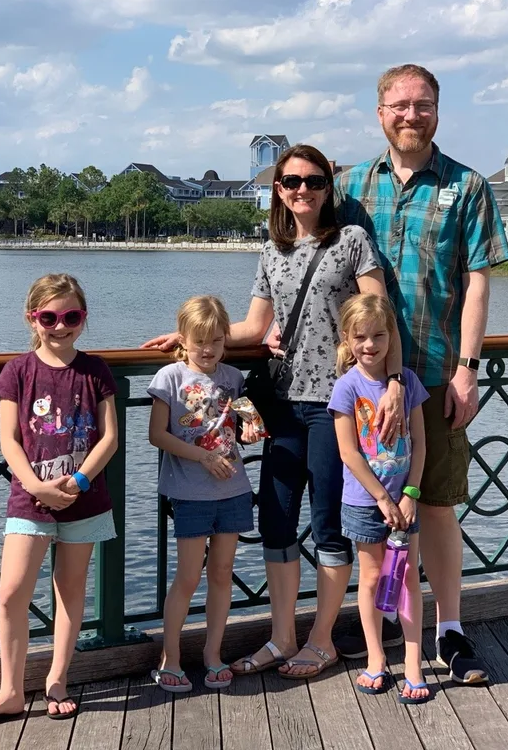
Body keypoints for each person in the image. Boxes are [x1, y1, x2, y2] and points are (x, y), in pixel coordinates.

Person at [143, 144, 405, 680]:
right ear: (279, 191)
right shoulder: (271, 251)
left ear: (328, 187)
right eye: (291, 182)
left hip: (337, 405)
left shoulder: (352, 241)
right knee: (277, 522)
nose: (302, 190)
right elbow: (254, 327)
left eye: (313, 181)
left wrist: (395, 382)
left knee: (328, 525)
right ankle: (283, 637)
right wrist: (191, 337)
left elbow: (382, 319)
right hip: (283, 403)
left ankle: (321, 640)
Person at [334, 64, 508, 684]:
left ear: (437, 110)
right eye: (400, 105)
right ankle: (382, 621)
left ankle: (450, 629)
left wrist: (468, 370)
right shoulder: (348, 186)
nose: (412, 115)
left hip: (434, 374)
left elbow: (477, 283)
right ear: (380, 112)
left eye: (424, 105)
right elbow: (310, 259)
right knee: (368, 504)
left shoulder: (468, 186)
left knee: (434, 503)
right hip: (362, 378)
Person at [0, 273, 118, 727]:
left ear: (83, 318)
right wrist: (36, 486)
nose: (60, 326)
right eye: (49, 317)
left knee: (70, 590)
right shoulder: (18, 371)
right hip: (30, 499)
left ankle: (57, 679)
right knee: (11, 593)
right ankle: (10, 691)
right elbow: (9, 440)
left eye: (71, 316)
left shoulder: (96, 370)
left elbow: (109, 438)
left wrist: (80, 481)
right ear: (32, 319)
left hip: (85, 498)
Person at [146, 295, 265, 693]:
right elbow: (157, 435)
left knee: (221, 572)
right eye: (200, 342)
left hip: (233, 488)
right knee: (187, 577)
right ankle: (171, 657)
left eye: (216, 340)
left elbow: (249, 422)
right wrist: (202, 456)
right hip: (190, 491)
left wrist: (252, 429)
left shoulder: (233, 378)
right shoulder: (170, 378)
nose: (209, 349)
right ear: (183, 339)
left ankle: (213, 653)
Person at [328, 293, 430, 703]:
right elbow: (348, 452)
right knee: (371, 579)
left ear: (392, 337)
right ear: (347, 339)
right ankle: (376, 658)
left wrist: (409, 494)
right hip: (364, 503)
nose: (370, 345)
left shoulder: (408, 383)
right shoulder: (346, 387)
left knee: (407, 579)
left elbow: (420, 445)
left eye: (379, 336)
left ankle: (413, 664)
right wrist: (382, 499)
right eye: (361, 337)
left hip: (404, 502)